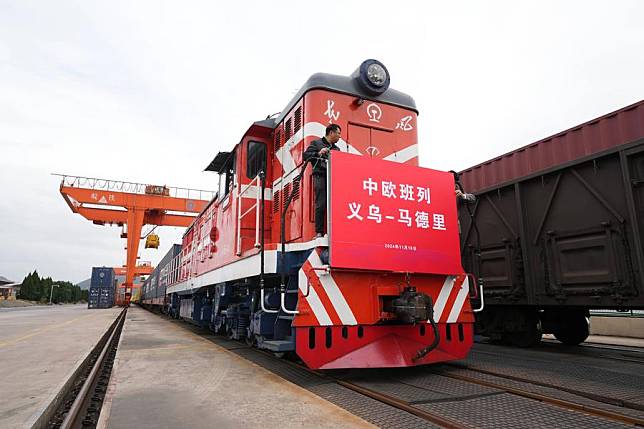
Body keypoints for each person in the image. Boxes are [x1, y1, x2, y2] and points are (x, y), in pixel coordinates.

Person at [303, 124, 341, 237]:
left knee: (335, 205)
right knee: (321, 203)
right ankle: (319, 232)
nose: (339, 136)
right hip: (320, 176)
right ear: (331, 133)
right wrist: (319, 153)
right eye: (338, 133)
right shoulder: (316, 143)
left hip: (333, 178)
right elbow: (306, 156)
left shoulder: (337, 149)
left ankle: (334, 232)